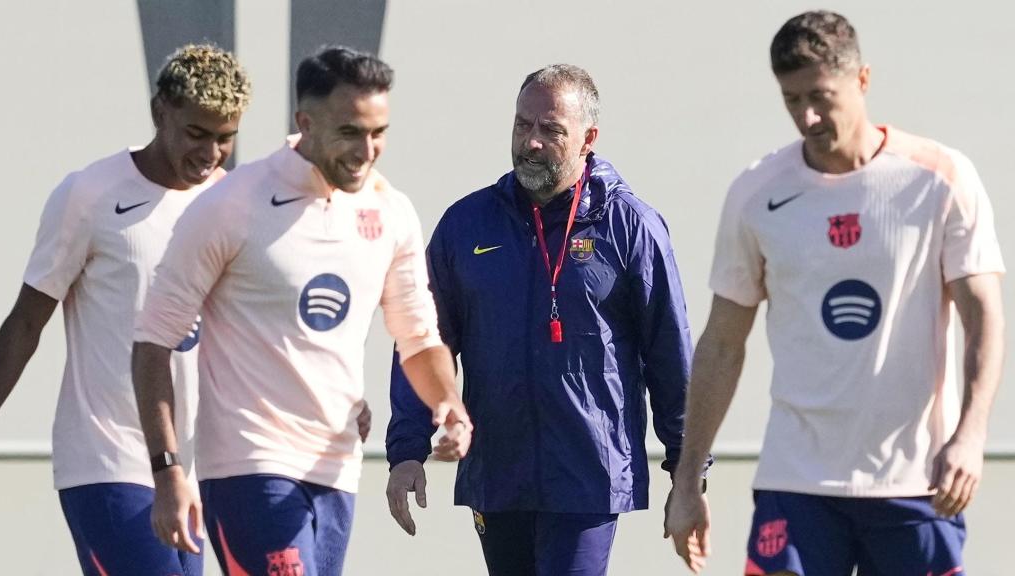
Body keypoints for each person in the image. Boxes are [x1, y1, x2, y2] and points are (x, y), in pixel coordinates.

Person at [668, 10, 1006, 576]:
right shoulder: (757, 194)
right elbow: (722, 345)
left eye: (821, 97)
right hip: (794, 482)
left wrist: (970, 437)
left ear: (863, 80)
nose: (808, 116)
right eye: (791, 100)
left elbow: (984, 317)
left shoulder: (941, 177)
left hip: (916, 482)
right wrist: (686, 483)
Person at [131, 45, 471, 576]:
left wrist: (448, 404)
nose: (367, 150)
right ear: (305, 124)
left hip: (336, 466)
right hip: (247, 465)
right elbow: (153, 341)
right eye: (349, 133)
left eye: (378, 132)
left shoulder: (392, 211)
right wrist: (168, 471)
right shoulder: (230, 205)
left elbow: (419, 337)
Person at [385, 64, 699, 576]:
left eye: (550, 130)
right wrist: (406, 450)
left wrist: (688, 473)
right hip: (498, 472)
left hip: (588, 476)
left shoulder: (630, 226)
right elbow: (424, 339)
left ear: (587, 138)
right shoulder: (466, 224)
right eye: (521, 125)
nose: (530, 143)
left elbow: (671, 352)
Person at [0, 44, 251, 575]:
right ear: (160, 113)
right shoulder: (90, 194)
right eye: (196, 134)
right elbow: (24, 324)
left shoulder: (229, 201)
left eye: (225, 138)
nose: (211, 153)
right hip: (107, 460)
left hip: (193, 468)